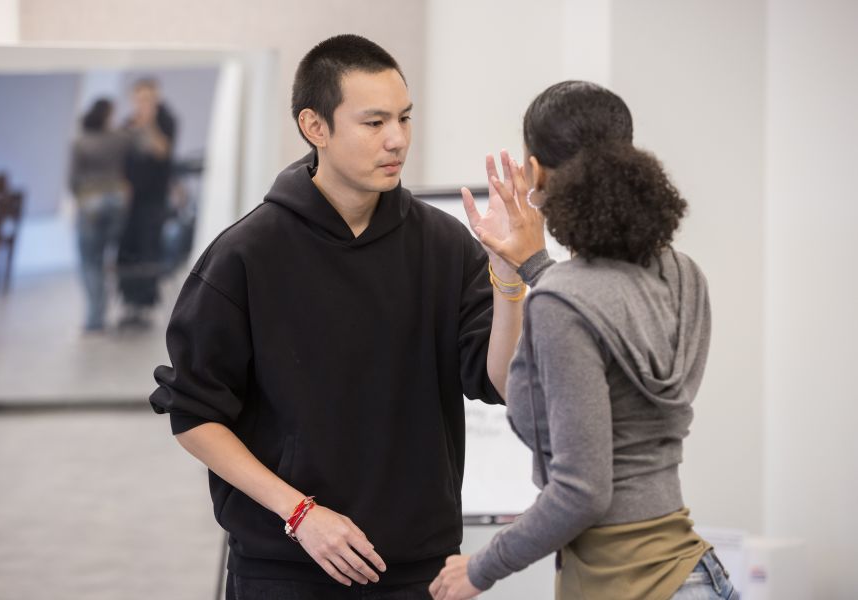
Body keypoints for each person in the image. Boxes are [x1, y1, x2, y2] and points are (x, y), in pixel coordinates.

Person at [149, 35, 544, 599]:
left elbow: (503, 382)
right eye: (374, 122)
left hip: (419, 568)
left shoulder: (444, 245)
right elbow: (194, 415)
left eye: (404, 118)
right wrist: (300, 513)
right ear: (315, 126)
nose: (397, 139)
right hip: (284, 568)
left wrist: (508, 279)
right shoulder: (246, 254)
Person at [430, 81, 738, 600]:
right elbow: (585, 336)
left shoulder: (563, 301)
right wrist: (522, 270)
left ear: (535, 173)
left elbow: (582, 492)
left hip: (624, 583)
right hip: (694, 574)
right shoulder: (684, 276)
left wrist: (480, 568)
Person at [116, 77, 176, 329]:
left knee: (149, 248)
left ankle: (147, 303)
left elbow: (163, 151)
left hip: (154, 199)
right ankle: (129, 301)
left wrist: (149, 124)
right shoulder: (127, 124)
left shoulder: (166, 120)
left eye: (147, 99)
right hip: (132, 200)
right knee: (127, 250)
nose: (142, 104)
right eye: (139, 99)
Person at [68, 97, 129, 332]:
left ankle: (95, 318)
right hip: (117, 202)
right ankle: (105, 311)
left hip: (91, 204)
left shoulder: (81, 142)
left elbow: (73, 181)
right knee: (107, 260)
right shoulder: (119, 139)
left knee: (90, 262)